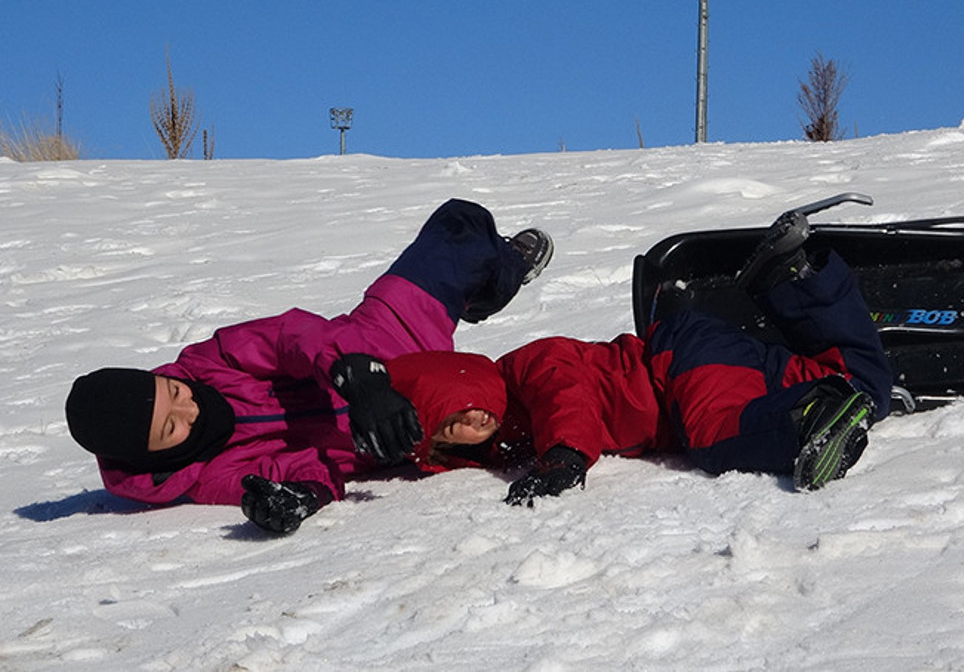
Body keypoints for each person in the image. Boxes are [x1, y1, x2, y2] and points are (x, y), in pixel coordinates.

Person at [64, 198, 554, 534]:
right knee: (508, 413)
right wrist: (299, 498)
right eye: (171, 428)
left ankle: (497, 274)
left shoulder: (208, 362)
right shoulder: (201, 474)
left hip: (378, 338)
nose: (188, 409)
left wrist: (357, 377)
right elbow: (300, 469)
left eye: (173, 393)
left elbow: (294, 335)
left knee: (461, 223)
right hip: (403, 416)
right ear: (154, 457)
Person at [383, 209, 894, 509]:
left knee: (716, 436)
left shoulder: (529, 367)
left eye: (462, 406)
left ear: (468, 376)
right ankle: (798, 276)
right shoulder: (502, 431)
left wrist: (563, 457)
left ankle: (806, 420)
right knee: (863, 389)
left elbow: (568, 399)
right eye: (453, 431)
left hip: (678, 366)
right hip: (702, 362)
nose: (472, 421)